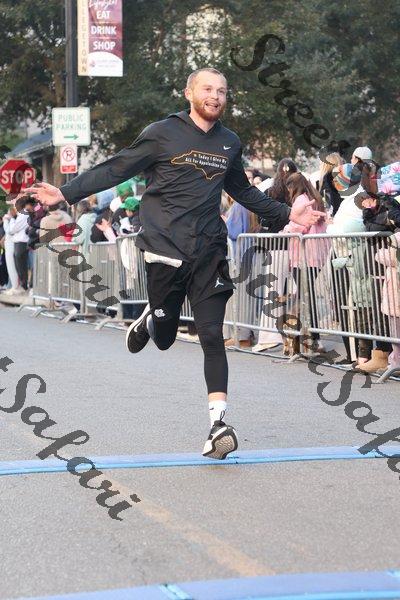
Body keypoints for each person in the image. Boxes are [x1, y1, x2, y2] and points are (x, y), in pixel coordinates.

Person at [26, 67, 323, 460]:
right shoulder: (162, 133)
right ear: (189, 93)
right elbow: (116, 167)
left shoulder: (229, 142)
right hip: (165, 250)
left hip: (210, 252)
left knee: (212, 335)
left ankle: (218, 426)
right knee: (165, 338)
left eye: (222, 91)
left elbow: (243, 191)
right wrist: (64, 193)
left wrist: (287, 214)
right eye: (207, 89)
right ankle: (152, 318)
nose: (215, 96)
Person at [253, 158, 298, 353]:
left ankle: (269, 336)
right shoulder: (298, 193)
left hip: (276, 246)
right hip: (297, 245)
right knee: (297, 293)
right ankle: (299, 336)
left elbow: (262, 218)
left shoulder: (270, 193)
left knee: (273, 291)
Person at [284, 172, 330, 353]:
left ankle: (308, 339)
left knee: (305, 297)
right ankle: (308, 338)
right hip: (317, 253)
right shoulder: (315, 198)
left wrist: (286, 229)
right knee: (306, 296)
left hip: (302, 254)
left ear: (292, 187)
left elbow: (299, 226)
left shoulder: (300, 201)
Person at [8, 197, 32, 292]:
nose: (14, 208)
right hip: (20, 242)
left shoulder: (23, 214)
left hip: (21, 242)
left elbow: (12, 229)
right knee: (19, 264)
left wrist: (12, 219)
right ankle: (23, 284)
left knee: (20, 264)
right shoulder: (22, 214)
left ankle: (24, 285)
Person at [2, 205, 19, 293]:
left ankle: (15, 286)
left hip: (11, 245)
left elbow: (9, 231)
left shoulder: (12, 220)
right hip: (9, 244)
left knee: (12, 266)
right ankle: (13, 285)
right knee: (10, 266)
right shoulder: (11, 220)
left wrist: (5, 221)